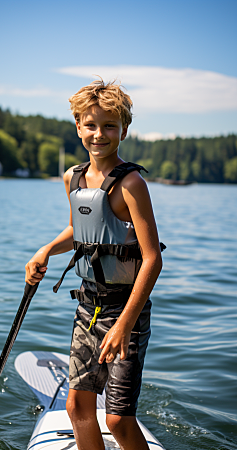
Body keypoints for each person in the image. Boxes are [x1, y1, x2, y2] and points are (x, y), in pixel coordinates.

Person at [25, 79, 164, 450]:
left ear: (123, 130)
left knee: (117, 418)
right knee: (77, 406)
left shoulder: (131, 183)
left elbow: (152, 259)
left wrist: (124, 325)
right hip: (87, 305)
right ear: (77, 126)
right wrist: (45, 251)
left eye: (109, 126)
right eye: (90, 125)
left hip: (125, 312)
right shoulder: (72, 178)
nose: (99, 134)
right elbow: (77, 230)